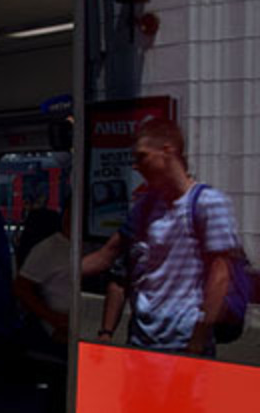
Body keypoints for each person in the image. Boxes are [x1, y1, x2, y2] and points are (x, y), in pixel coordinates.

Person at [82, 118, 243, 355]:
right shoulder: (145, 207)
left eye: (142, 156)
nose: (136, 166)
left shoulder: (208, 203)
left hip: (184, 342)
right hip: (141, 340)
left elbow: (220, 275)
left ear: (167, 151)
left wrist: (198, 337)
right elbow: (109, 255)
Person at [15, 207, 72, 346]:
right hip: (58, 326)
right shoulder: (48, 248)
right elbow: (21, 288)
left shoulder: (94, 247)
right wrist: (53, 319)